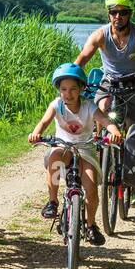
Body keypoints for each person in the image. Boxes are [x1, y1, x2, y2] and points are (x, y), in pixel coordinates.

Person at [74, 0, 135, 207]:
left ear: (129, 14)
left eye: (122, 12)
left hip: (134, 86)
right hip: (109, 84)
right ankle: (98, 154)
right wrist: (72, 77)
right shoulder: (100, 35)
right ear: (108, 13)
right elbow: (83, 57)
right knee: (99, 112)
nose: (118, 17)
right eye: (114, 12)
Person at [28, 63, 121, 246]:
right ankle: (52, 202)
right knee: (55, 158)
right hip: (63, 146)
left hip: (85, 148)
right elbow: (44, 122)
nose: (67, 94)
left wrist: (114, 131)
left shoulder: (88, 106)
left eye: (72, 89)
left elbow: (103, 119)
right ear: (59, 90)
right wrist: (36, 133)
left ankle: (91, 225)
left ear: (81, 89)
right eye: (63, 89)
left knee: (91, 186)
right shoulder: (56, 105)